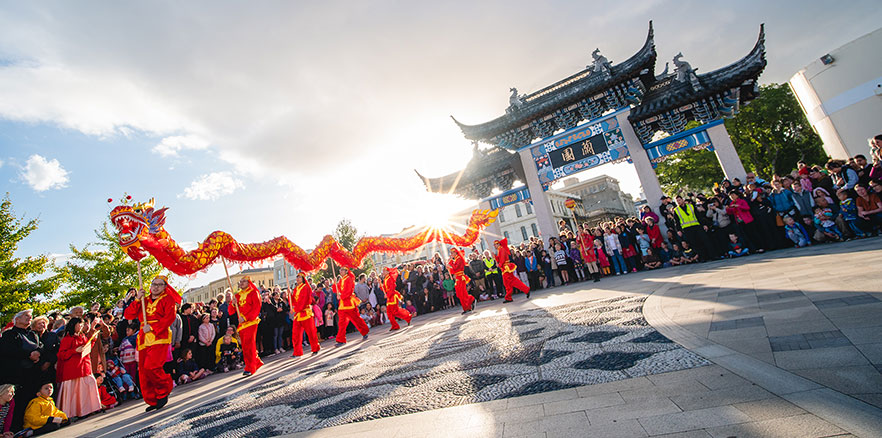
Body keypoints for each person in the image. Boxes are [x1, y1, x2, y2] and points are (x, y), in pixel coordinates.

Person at [123, 275, 181, 411]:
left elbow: (169, 318)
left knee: (152, 366)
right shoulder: (144, 299)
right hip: (143, 337)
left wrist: (154, 327)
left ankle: (164, 389)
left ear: (164, 287)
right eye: (153, 284)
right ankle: (152, 399)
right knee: (143, 370)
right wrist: (137, 300)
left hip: (159, 336)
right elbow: (129, 315)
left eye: (159, 285)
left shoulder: (168, 299)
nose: (155, 287)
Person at [0, 310, 43, 431]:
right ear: (17, 319)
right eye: (26, 316)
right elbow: (8, 350)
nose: (29, 318)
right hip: (17, 374)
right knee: (18, 401)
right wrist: (29, 354)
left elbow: (41, 346)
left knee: (31, 399)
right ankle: (15, 428)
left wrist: (38, 353)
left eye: (30, 317)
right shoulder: (10, 334)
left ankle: (31, 424)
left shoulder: (32, 334)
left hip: (33, 373)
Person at [56, 316, 101, 418]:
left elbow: (87, 347)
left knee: (88, 385)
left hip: (84, 366)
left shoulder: (82, 336)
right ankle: (76, 412)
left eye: (82, 324)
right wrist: (74, 351)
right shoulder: (67, 339)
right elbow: (61, 354)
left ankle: (89, 409)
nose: (81, 326)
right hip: (73, 369)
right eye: (79, 324)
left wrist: (92, 340)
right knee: (76, 392)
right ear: (73, 325)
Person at [289, 273, 320, 357]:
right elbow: (294, 302)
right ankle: (297, 352)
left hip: (305, 313)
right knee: (295, 334)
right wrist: (290, 295)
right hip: (298, 314)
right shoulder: (296, 289)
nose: (298, 278)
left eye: (299, 277)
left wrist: (295, 309)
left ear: (303, 278)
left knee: (311, 332)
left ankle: (315, 348)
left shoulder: (305, 288)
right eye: (297, 277)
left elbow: (303, 301)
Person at [448, 247, 476, 314]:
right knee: (459, 294)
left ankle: (469, 302)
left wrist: (451, 262)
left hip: (461, 277)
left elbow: (456, 267)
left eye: (452, 253)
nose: (451, 254)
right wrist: (449, 267)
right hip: (457, 278)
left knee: (463, 293)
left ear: (455, 253)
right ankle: (466, 306)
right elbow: (453, 271)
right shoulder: (456, 260)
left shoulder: (459, 259)